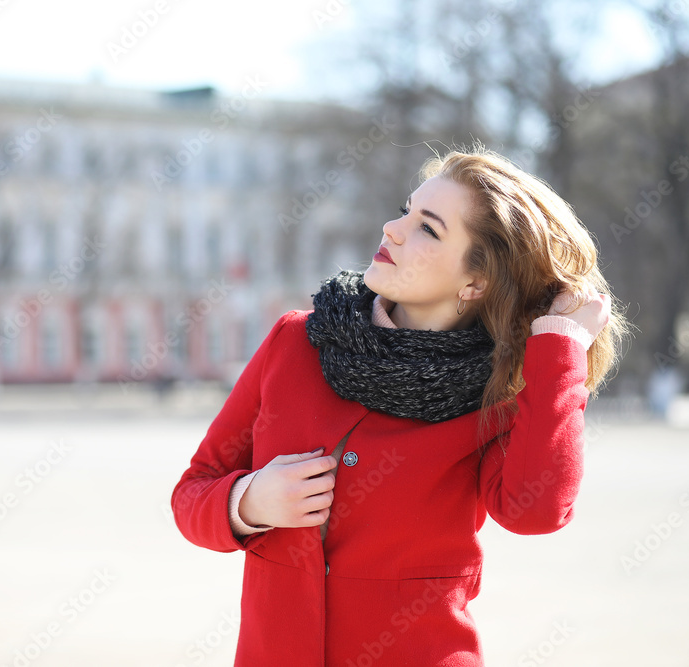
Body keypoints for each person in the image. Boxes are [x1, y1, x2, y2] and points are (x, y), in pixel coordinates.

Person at [171, 145, 628, 666]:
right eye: (406, 210)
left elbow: (536, 512)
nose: (392, 228)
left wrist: (560, 345)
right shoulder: (296, 342)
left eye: (428, 228)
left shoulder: (498, 399)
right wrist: (249, 502)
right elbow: (192, 492)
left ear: (476, 282)